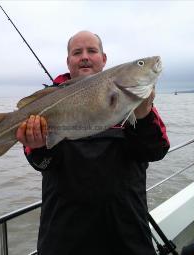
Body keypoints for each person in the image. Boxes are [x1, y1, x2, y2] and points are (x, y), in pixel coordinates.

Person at [16, 30, 170, 255]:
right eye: (77, 52)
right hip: (64, 235)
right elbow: (42, 164)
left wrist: (145, 115)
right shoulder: (47, 103)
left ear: (104, 59)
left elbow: (155, 151)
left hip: (127, 232)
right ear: (68, 61)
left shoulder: (133, 103)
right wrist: (39, 147)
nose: (85, 56)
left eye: (92, 51)